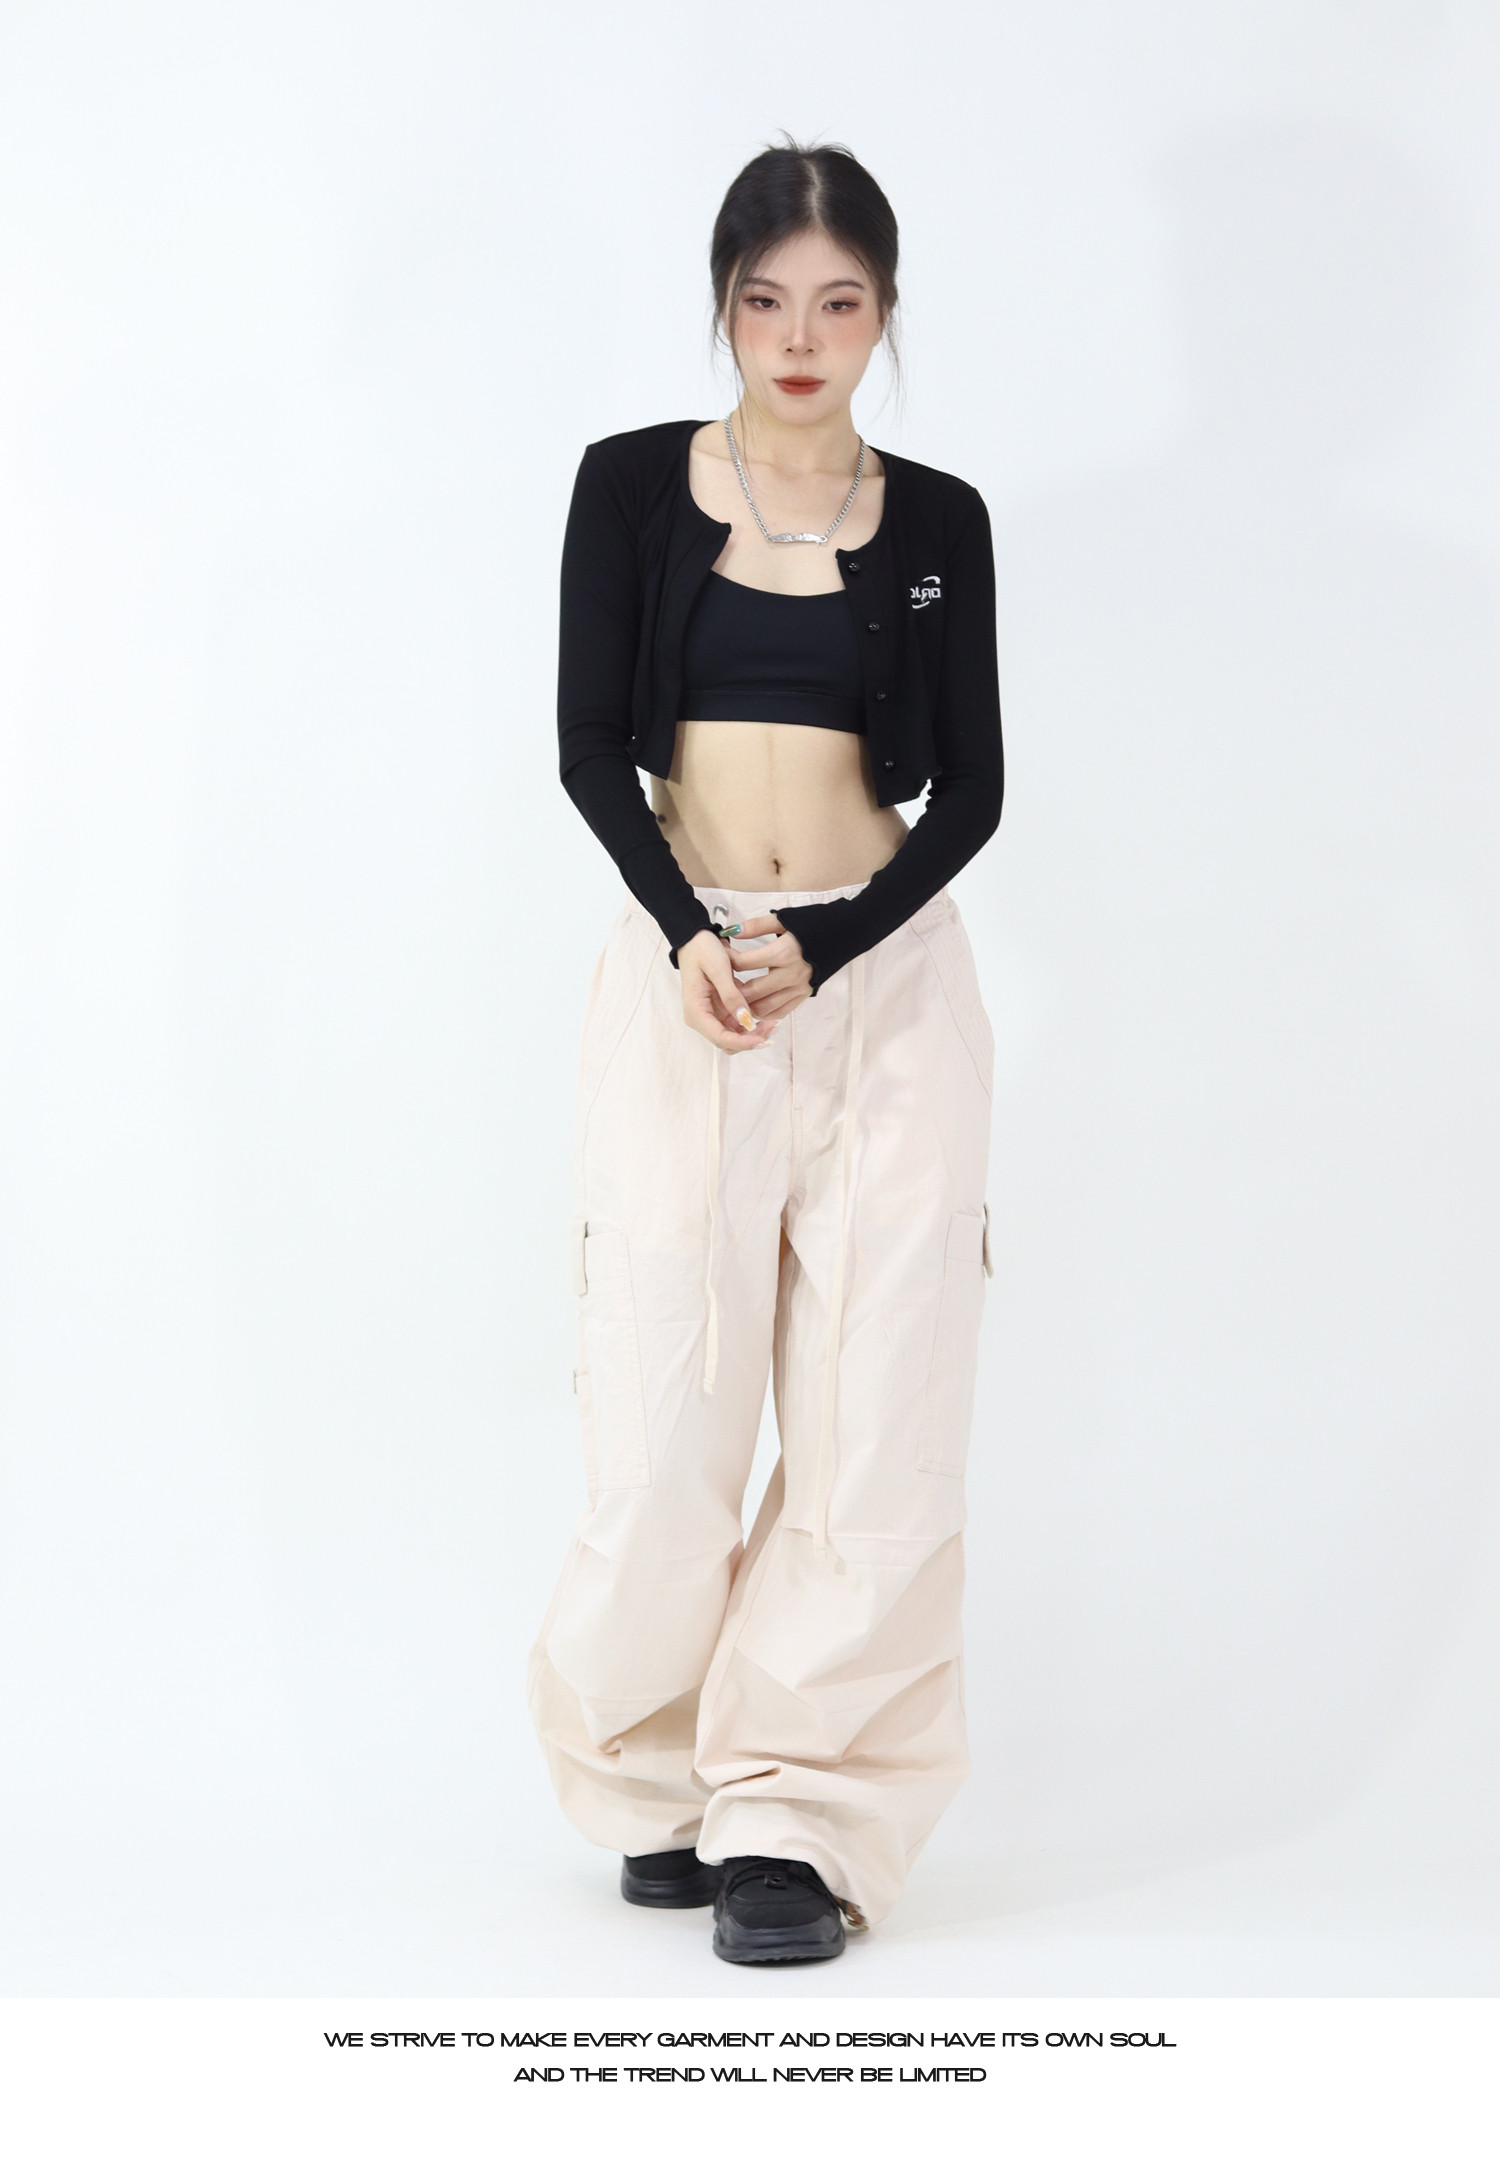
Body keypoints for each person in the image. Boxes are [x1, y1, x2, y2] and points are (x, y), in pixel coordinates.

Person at [526, 139, 1003, 1966]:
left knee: (881, 1407)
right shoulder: (631, 485)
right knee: (665, 1395)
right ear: (723, 307)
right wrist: (689, 932)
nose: (802, 339)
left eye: (841, 303)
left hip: (882, 988)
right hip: (689, 978)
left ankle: (796, 1808)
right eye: (767, 300)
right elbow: (588, 741)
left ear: (885, 316)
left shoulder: (939, 519)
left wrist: (831, 947)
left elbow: (974, 792)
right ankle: (653, 1765)